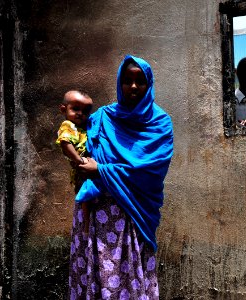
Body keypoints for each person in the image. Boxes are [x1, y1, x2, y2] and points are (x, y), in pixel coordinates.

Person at [68, 55, 173, 300]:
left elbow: (151, 172)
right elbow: (80, 150)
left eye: (140, 81)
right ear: (119, 83)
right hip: (96, 215)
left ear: (149, 85)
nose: (133, 86)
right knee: (96, 276)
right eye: (127, 80)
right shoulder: (102, 118)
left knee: (126, 278)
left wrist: (101, 170)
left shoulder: (160, 124)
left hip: (132, 215)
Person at [56, 90, 93, 234]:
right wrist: (79, 160)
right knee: (85, 194)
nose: (80, 113)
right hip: (81, 167)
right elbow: (65, 143)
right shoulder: (67, 125)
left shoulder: (80, 127)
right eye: (76, 109)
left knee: (87, 192)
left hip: (85, 164)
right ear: (63, 109)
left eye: (85, 111)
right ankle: (86, 225)